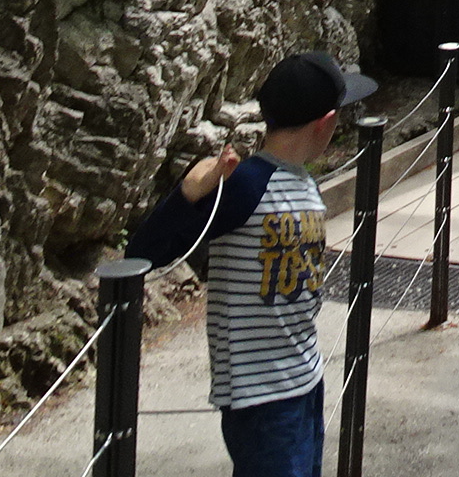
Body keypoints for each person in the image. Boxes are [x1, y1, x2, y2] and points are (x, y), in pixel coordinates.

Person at [126, 50, 376, 477]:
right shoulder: (246, 185)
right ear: (327, 122)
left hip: (304, 380)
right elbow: (144, 251)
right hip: (260, 397)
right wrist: (190, 193)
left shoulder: (303, 183)